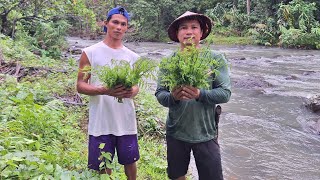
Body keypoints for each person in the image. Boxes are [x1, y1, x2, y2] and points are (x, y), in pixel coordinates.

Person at [155, 11, 231, 180]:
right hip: (176, 131)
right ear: (177, 33)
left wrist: (200, 94)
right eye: (183, 28)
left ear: (202, 32)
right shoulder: (169, 61)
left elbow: (225, 94)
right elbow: (160, 94)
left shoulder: (215, 58)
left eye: (194, 27)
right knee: (177, 175)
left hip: (206, 132)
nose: (189, 32)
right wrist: (173, 97)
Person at [76, 6, 140, 180]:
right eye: (115, 22)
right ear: (106, 24)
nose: (119, 27)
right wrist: (104, 90)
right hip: (101, 120)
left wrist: (130, 92)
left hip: (125, 120)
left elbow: (136, 87)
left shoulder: (133, 57)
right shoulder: (90, 53)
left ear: (127, 28)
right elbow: (81, 85)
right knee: (104, 165)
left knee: (130, 161)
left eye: (123, 24)